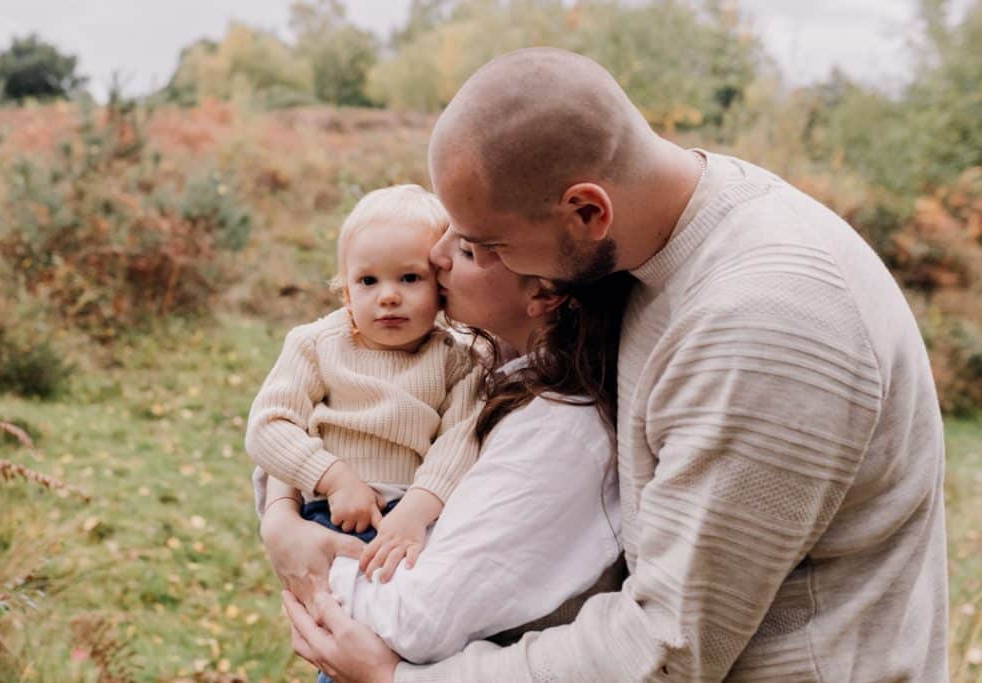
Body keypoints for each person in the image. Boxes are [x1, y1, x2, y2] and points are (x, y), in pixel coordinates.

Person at [281, 48, 949, 682]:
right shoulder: (650, 239)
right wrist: (286, 515)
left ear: (587, 211)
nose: (441, 259)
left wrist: (396, 677)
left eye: (487, 245)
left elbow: (666, 648)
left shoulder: (764, 324)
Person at [257, 216, 634, 672]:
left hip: (384, 586)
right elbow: (283, 427)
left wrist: (305, 556)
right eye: (368, 281)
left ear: (542, 292)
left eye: (468, 250)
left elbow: (409, 619)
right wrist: (283, 515)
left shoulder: (554, 429)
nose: (437, 256)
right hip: (349, 519)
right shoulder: (494, 353)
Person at [246, 184, 483, 587]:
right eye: (368, 281)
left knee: (409, 620)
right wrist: (335, 478)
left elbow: (460, 440)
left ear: (441, 289)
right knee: (335, 613)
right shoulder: (317, 345)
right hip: (329, 512)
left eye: (410, 278)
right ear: (346, 291)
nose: (388, 296)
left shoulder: (457, 358)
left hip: (418, 516)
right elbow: (269, 426)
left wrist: (415, 511)